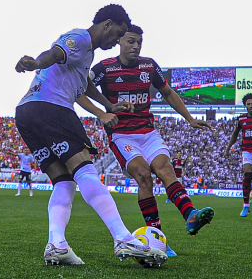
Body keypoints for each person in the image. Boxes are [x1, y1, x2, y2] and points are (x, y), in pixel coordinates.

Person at [15, 4, 167, 266]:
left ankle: (57, 244)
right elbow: (53, 53)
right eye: (117, 33)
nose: (116, 41)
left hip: (27, 113)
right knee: (84, 170)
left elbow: (83, 83)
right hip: (53, 108)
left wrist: (108, 105)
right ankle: (123, 237)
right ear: (107, 25)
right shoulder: (81, 38)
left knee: (63, 180)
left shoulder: (85, 55)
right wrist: (37, 63)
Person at [82, 24, 214, 258]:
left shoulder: (149, 66)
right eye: (131, 41)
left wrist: (190, 119)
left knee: (165, 169)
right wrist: (102, 113)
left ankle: (191, 215)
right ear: (120, 41)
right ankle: (159, 239)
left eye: (139, 43)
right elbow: (80, 89)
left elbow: (169, 93)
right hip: (122, 134)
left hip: (148, 132)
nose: (135, 46)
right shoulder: (104, 68)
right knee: (143, 174)